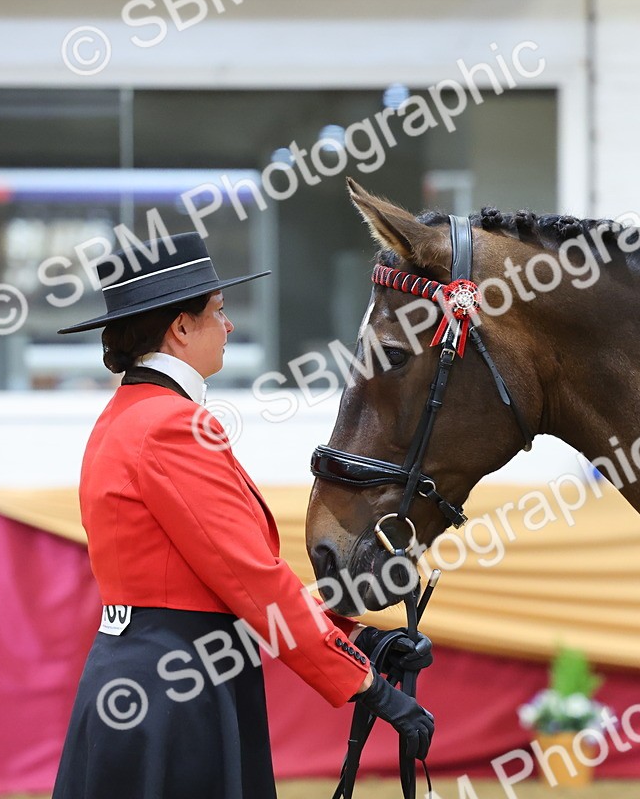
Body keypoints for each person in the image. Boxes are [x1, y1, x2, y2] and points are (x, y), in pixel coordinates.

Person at [51, 232, 434, 799]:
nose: (228, 327)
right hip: (178, 695)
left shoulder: (124, 418)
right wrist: (367, 685)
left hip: (150, 676)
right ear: (181, 328)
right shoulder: (170, 426)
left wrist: (358, 640)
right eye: (219, 312)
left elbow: (217, 592)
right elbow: (252, 579)